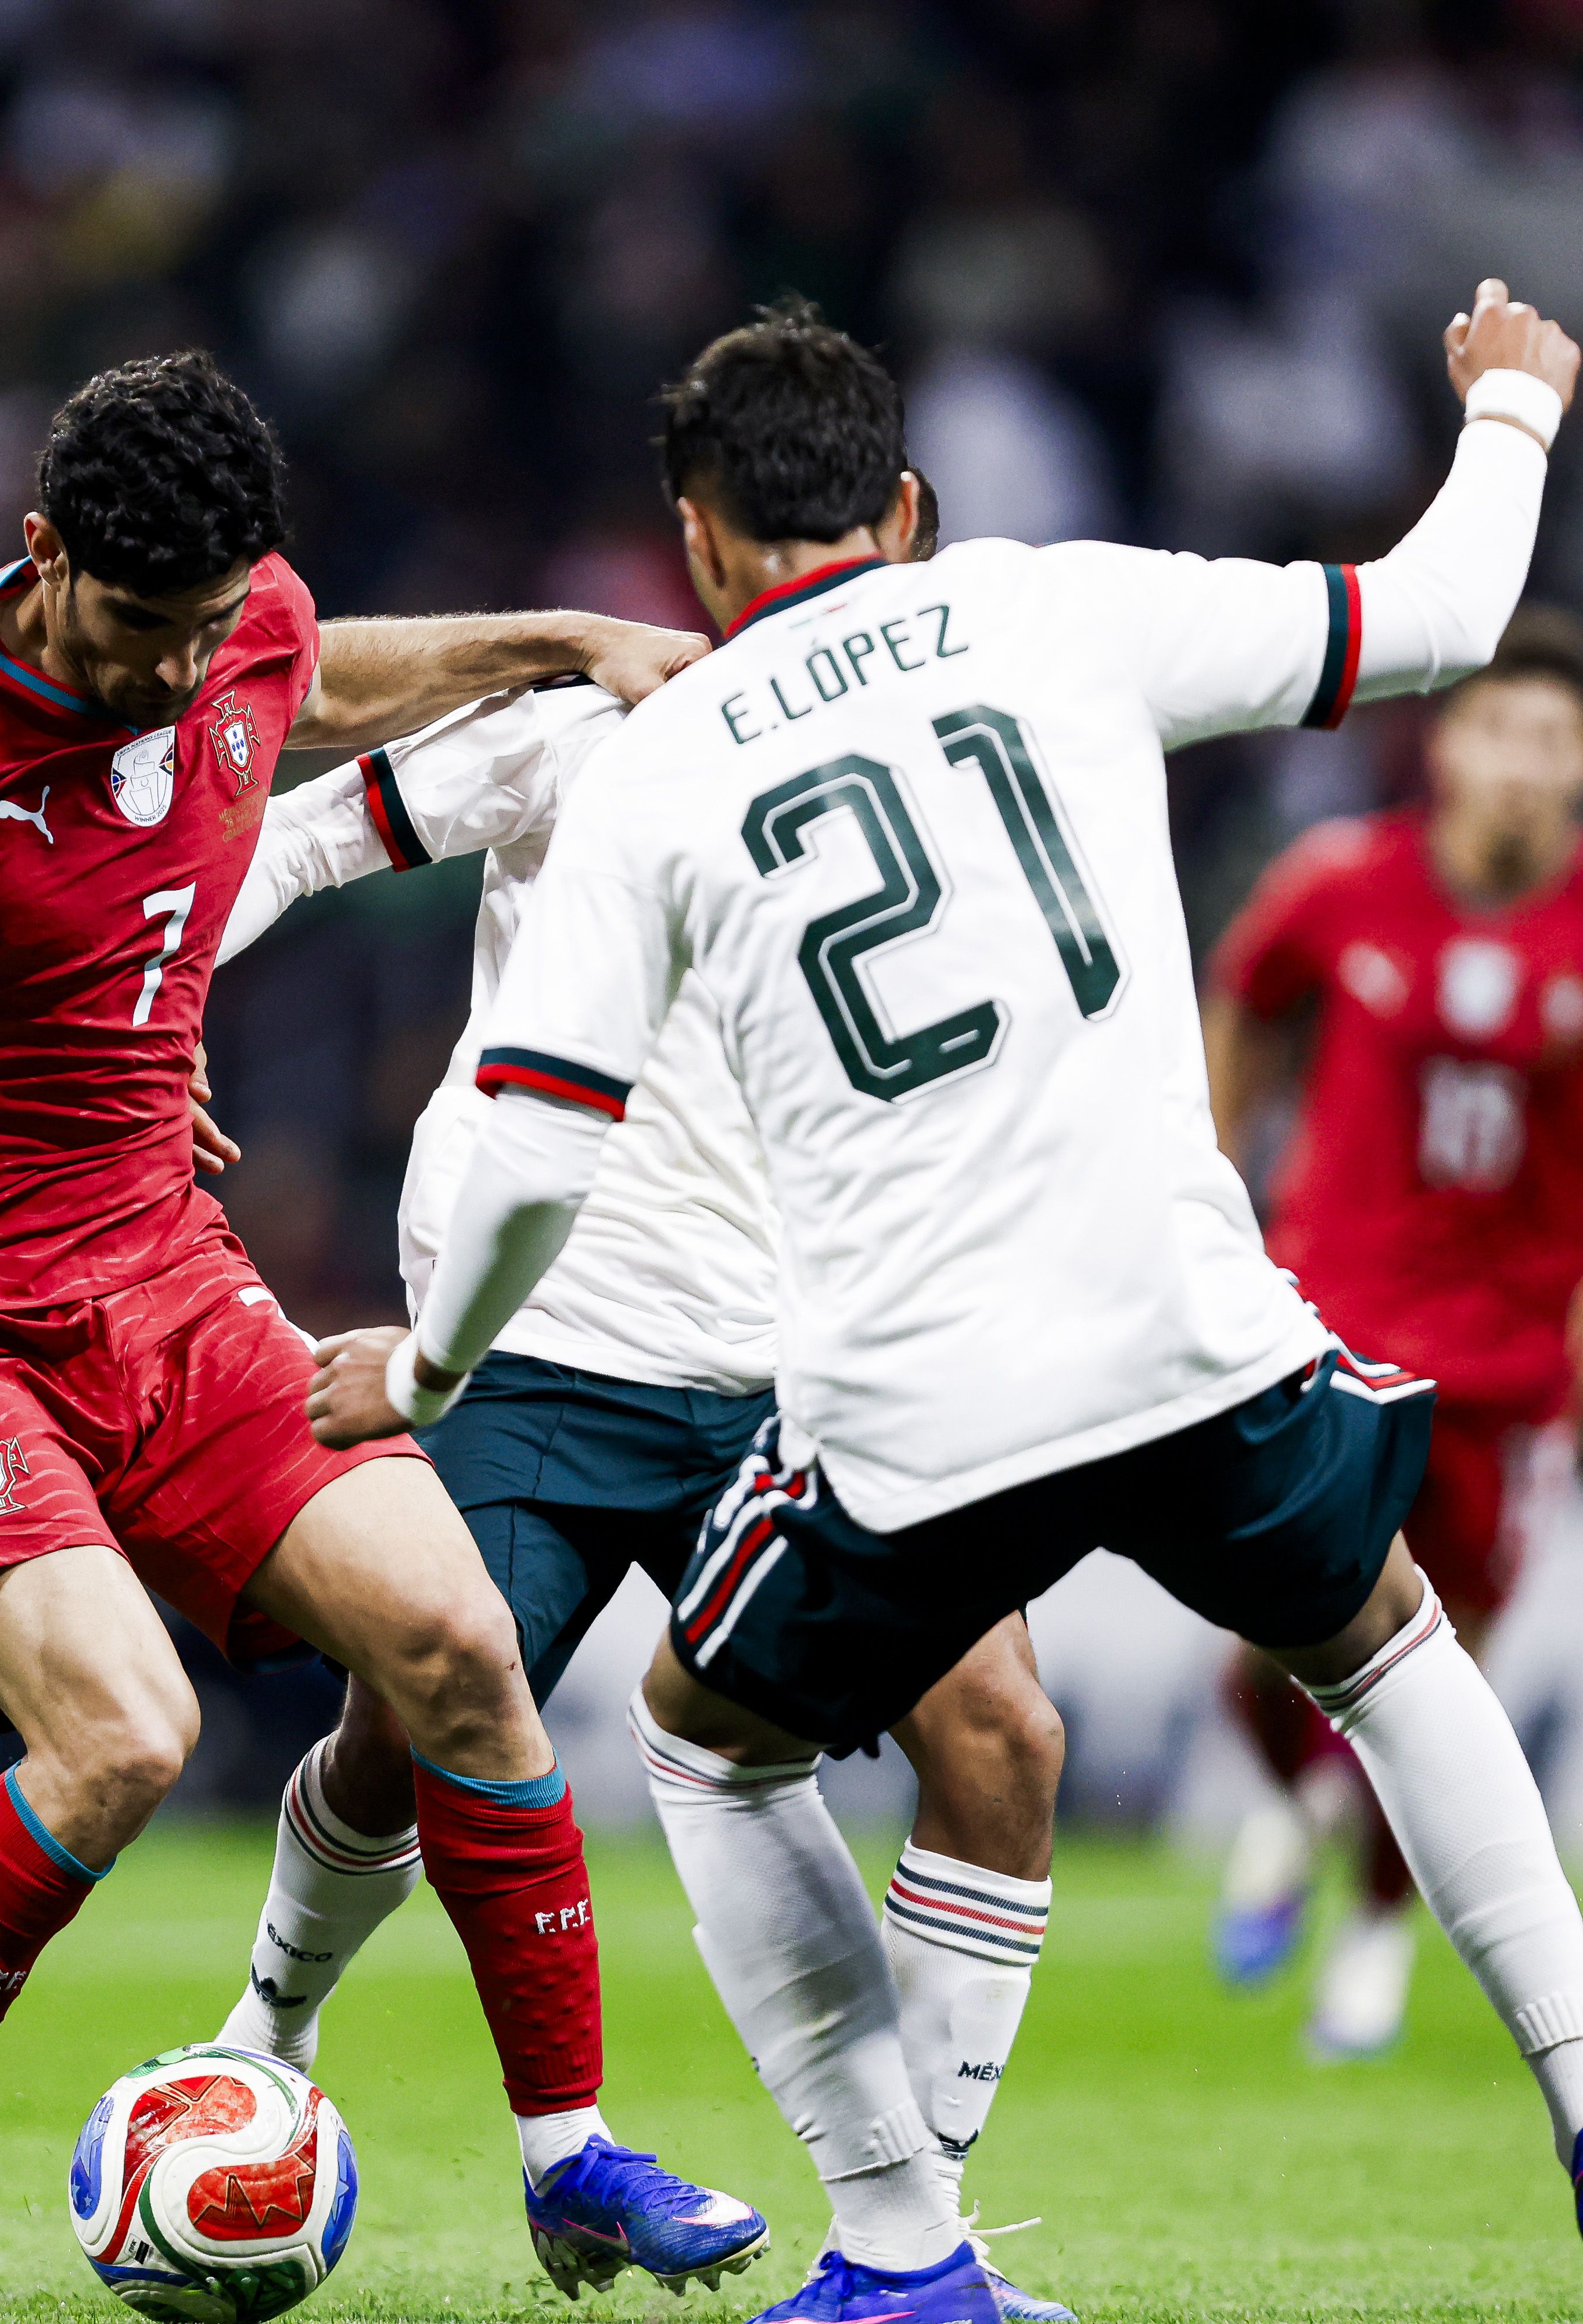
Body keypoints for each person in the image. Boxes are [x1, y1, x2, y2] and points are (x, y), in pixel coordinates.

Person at [308, 293, 1583, 2324]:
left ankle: (902, 2243)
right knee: (1390, 1643)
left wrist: (428, 1366)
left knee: (709, 1744)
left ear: (699, 542)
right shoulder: (1058, 605)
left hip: (917, 1400)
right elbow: (1441, 616)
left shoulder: (661, 763)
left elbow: (540, 1147)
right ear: (905, 507)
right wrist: (1512, 408)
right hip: (1187, 1328)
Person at [0, 349, 766, 2318]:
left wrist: (567, 639)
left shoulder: (234, 622)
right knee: (125, 1737)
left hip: (163, 1271)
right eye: (137, 627)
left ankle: (571, 2161)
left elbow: (313, 674)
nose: (181, 672)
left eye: (206, 625)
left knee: (459, 1643)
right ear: (41, 552)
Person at [206, 474, 1075, 2321]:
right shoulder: (593, 727)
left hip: (805, 1367)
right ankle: (265, 2034)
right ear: (715, 554)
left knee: (1003, 1740)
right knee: (410, 1727)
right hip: (530, 1342)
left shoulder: (971, 769)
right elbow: (296, 840)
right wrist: (131, 1031)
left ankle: (912, 2246)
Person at [1201, 607, 1583, 2056]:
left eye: (1552, 738)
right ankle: (1293, 1797)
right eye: (1499, 728)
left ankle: (1377, 1932)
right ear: (1446, 744)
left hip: (1518, 1357)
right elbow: (1240, 1006)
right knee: (1263, 1635)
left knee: (1443, 1657)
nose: (1521, 762)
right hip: (1325, 1319)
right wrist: (1210, 1174)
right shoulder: (1339, 884)